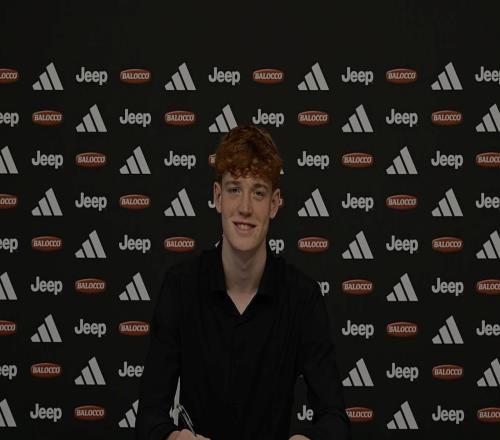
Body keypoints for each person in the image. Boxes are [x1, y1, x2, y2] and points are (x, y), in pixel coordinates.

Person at [136, 125, 351, 440]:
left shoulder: (302, 296)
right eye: (234, 189)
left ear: (274, 204)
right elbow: (149, 418)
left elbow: (335, 420)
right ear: (217, 197)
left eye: (258, 192)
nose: (245, 208)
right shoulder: (180, 287)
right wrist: (174, 438)